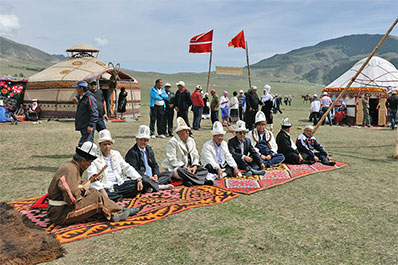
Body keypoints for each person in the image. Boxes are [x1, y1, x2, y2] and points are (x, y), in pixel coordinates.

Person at [47, 141, 138, 224]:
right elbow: (72, 198)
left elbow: (76, 184)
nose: (90, 165)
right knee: (96, 197)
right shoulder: (69, 170)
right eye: (90, 162)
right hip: (60, 213)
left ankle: (117, 211)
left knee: (94, 191)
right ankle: (118, 212)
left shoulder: (73, 167)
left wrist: (90, 182)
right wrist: (84, 191)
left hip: (62, 210)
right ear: (83, 161)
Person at [87, 130, 146, 202]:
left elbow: (126, 167)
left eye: (109, 144)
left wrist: (138, 179)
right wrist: (102, 190)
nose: (107, 147)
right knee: (100, 194)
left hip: (119, 184)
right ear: (100, 145)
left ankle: (116, 196)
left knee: (136, 184)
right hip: (105, 187)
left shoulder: (116, 154)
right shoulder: (94, 158)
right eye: (104, 144)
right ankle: (114, 196)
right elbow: (92, 177)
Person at [161, 117, 211, 187]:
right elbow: (172, 159)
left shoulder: (191, 140)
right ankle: (201, 181)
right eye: (184, 131)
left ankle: (189, 180)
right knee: (181, 171)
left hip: (191, 167)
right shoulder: (173, 142)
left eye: (188, 130)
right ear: (178, 132)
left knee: (204, 169)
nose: (187, 132)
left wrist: (195, 166)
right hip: (179, 168)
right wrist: (184, 167)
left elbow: (195, 155)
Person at [125, 125, 174, 192]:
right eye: (141, 140)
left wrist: (155, 175)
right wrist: (148, 177)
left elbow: (155, 165)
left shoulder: (149, 149)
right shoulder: (132, 153)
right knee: (142, 180)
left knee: (169, 173)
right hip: (142, 176)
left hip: (151, 175)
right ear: (136, 140)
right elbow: (134, 170)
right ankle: (158, 186)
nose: (143, 142)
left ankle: (151, 186)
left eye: (145, 140)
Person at [74, 81, 98, 147]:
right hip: (84, 125)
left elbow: (94, 112)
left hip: (87, 125)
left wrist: (91, 125)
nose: (76, 90)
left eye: (77, 88)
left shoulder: (89, 98)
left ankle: (82, 156)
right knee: (87, 143)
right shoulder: (83, 97)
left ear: (81, 88)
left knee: (85, 144)